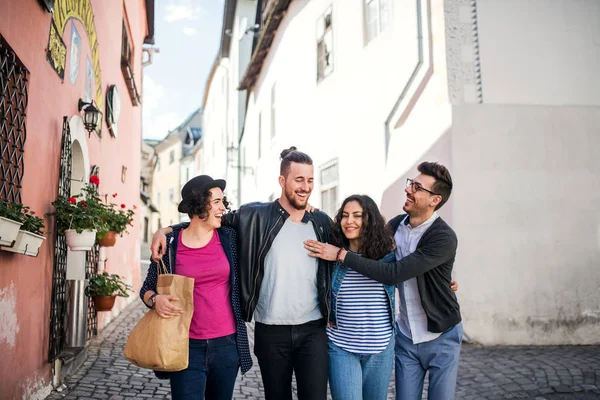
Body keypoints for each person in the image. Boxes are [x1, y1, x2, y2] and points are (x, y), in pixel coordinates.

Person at [151, 147, 333, 400]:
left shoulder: (321, 222)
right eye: (299, 179)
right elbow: (203, 222)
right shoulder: (255, 216)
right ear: (282, 181)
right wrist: (167, 229)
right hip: (269, 330)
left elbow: (352, 247)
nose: (305, 187)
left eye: (310, 180)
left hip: (311, 329)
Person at [305, 161, 462, 400]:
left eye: (417, 187)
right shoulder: (396, 226)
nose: (408, 189)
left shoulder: (444, 237)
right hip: (406, 337)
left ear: (434, 200)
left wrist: (339, 254)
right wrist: (315, 214)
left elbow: (394, 273)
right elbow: (368, 238)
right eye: (411, 183)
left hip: (440, 334)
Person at [140, 175, 252, 400]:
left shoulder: (229, 237)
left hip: (226, 344)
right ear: (199, 205)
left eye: (223, 201)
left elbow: (262, 215)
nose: (223, 208)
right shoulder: (171, 246)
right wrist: (155, 300)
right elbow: (146, 290)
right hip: (185, 345)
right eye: (217, 202)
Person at [326, 194, 397, 400]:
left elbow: (411, 276)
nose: (350, 221)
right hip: (341, 347)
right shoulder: (333, 256)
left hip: (380, 348)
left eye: (357, 215)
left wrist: (445, 284)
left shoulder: (388, 257)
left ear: (370, 220)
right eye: (345, 215)